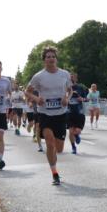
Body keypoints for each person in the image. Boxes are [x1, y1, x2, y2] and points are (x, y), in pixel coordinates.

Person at [27, 47, 72, 184]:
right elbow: (27, 92)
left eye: (53, 56)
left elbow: (70, 90)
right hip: (44, 113)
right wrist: (36, 99)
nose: (51, 58)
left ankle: (53, 160)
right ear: (44, 60)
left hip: (60, 114)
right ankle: (54, 173)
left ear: (56, 59)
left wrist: (67, 99)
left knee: (59, 148)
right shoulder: (39, 76)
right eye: (48, 57)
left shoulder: (65, 74)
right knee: (50, 143)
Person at [67, 73, 88, 154]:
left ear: (76, 78)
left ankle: (76, 135)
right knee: (71, 131)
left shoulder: (81, 88)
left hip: (79, 112)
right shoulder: (65, 88)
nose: (72, 78)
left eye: (73, 77)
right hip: (69, 112)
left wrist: (81, 99)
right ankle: (73, 147)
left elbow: (87, 99)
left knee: (77, 131)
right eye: (70, 77)